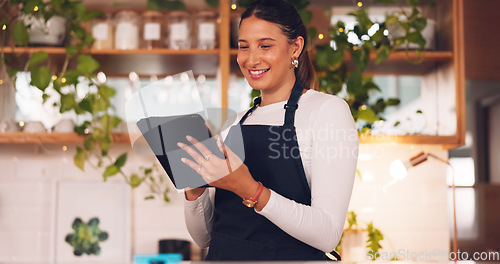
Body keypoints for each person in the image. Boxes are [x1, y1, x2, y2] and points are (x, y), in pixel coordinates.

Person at [179, 0, 359, 260]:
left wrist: (251, 190)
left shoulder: (327, 112)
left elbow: (327, 234)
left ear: (295, 47)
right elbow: (206, 237)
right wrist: (194, 191)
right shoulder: (234, 123)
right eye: (244, 47)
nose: (251, 59)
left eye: (265, 46)